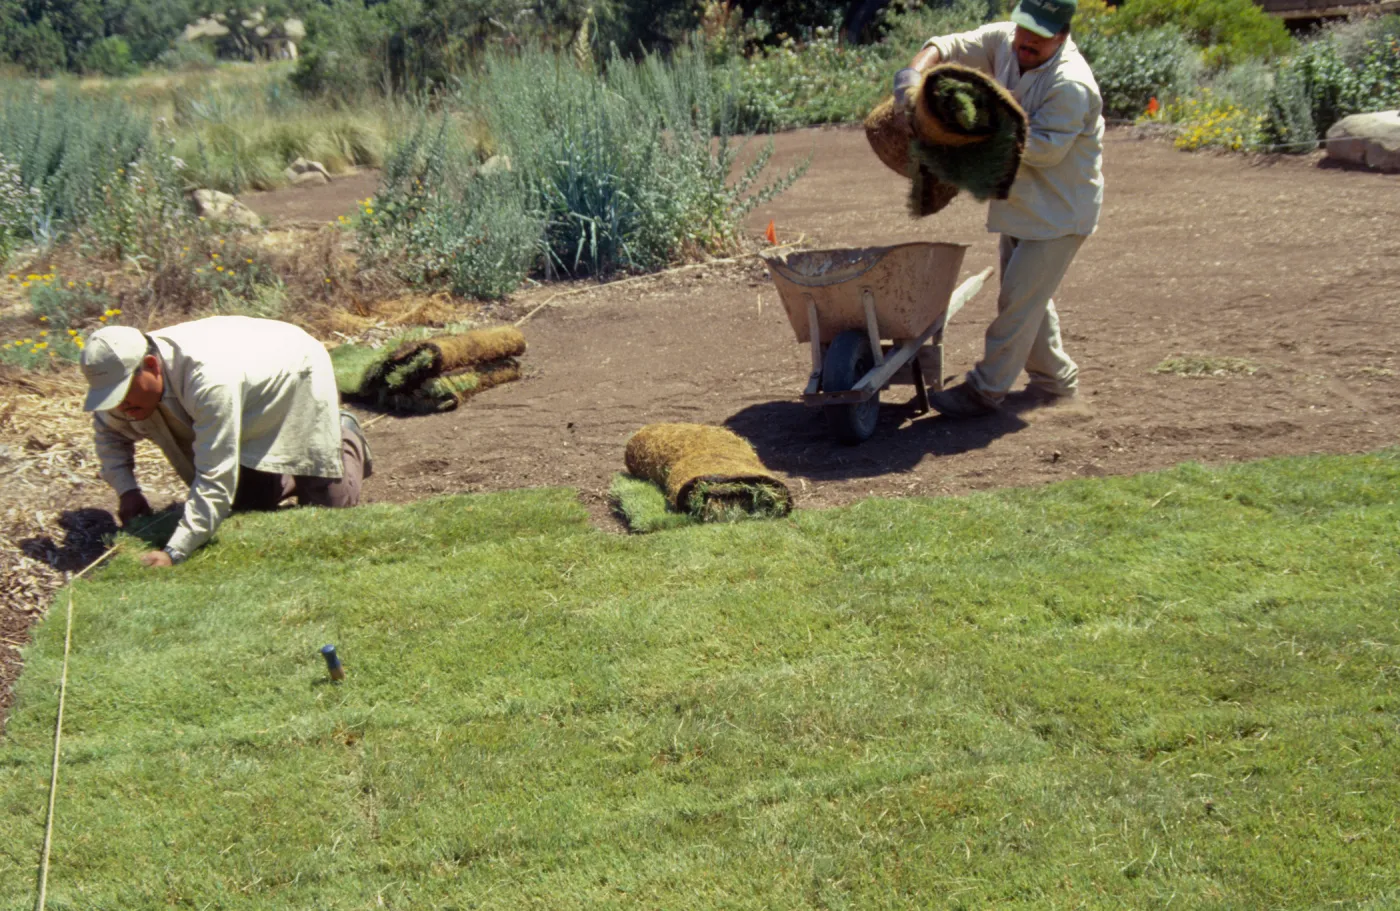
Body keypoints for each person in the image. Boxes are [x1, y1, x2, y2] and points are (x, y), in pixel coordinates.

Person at [894, 0, 1104, 417]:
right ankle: (1056, 382)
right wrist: (912, 76)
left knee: (1018, 301)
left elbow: (1043, 151)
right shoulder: (1006, 40)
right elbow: (949, 45)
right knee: (1030, 302)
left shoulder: (1072, 84)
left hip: (1059, 211)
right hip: (1019, 202)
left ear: (1062, 35)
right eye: (1024, 28)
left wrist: (979, 125)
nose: (1027, 41)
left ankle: (985, 390)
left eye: (1041, 35)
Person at [80, 316, 372, 568]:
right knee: (246, 506)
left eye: (124, 392)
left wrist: (175, 551)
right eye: (111, 397)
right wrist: (127, 490)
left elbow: (214, 477)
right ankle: (284, 471)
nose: (119, 406)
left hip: (295, 370)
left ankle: (345, 436)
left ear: (152, 365)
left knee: (329, 509)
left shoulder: (208, 380)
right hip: (244, 392)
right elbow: (108, 436)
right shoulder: (123, 393)